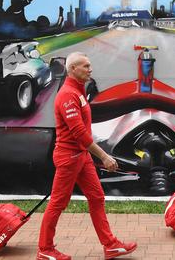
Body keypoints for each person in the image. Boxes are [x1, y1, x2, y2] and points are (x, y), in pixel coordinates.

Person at [37, 52, 137, 260]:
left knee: (97, 197)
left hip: (81, 157)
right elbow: (79, 133)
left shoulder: (79, 92)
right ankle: (45, 250)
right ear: (73, 69)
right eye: (86, 66)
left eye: (89, 66)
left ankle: (110, 245)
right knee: (58, 203)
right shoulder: (67, 95)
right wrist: (104, 157)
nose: (90, 69)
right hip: (68, 158)